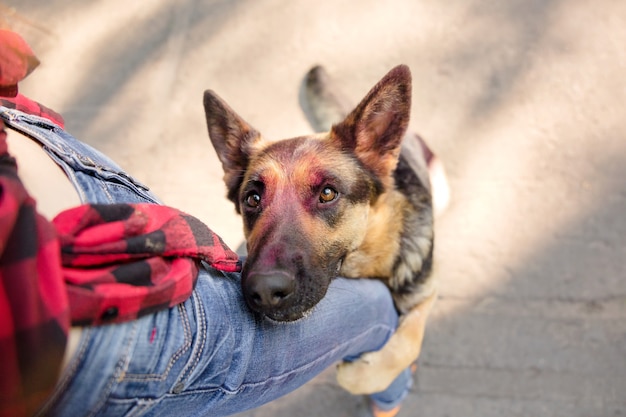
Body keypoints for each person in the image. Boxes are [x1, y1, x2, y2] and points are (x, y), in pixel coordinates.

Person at [0, 30, 413, 417]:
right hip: (99, 340)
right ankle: (390, 398)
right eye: (255, 197)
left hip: (53, 163)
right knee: (376, 308)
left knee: (383, 306)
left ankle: (390, 395)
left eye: (324, 196)